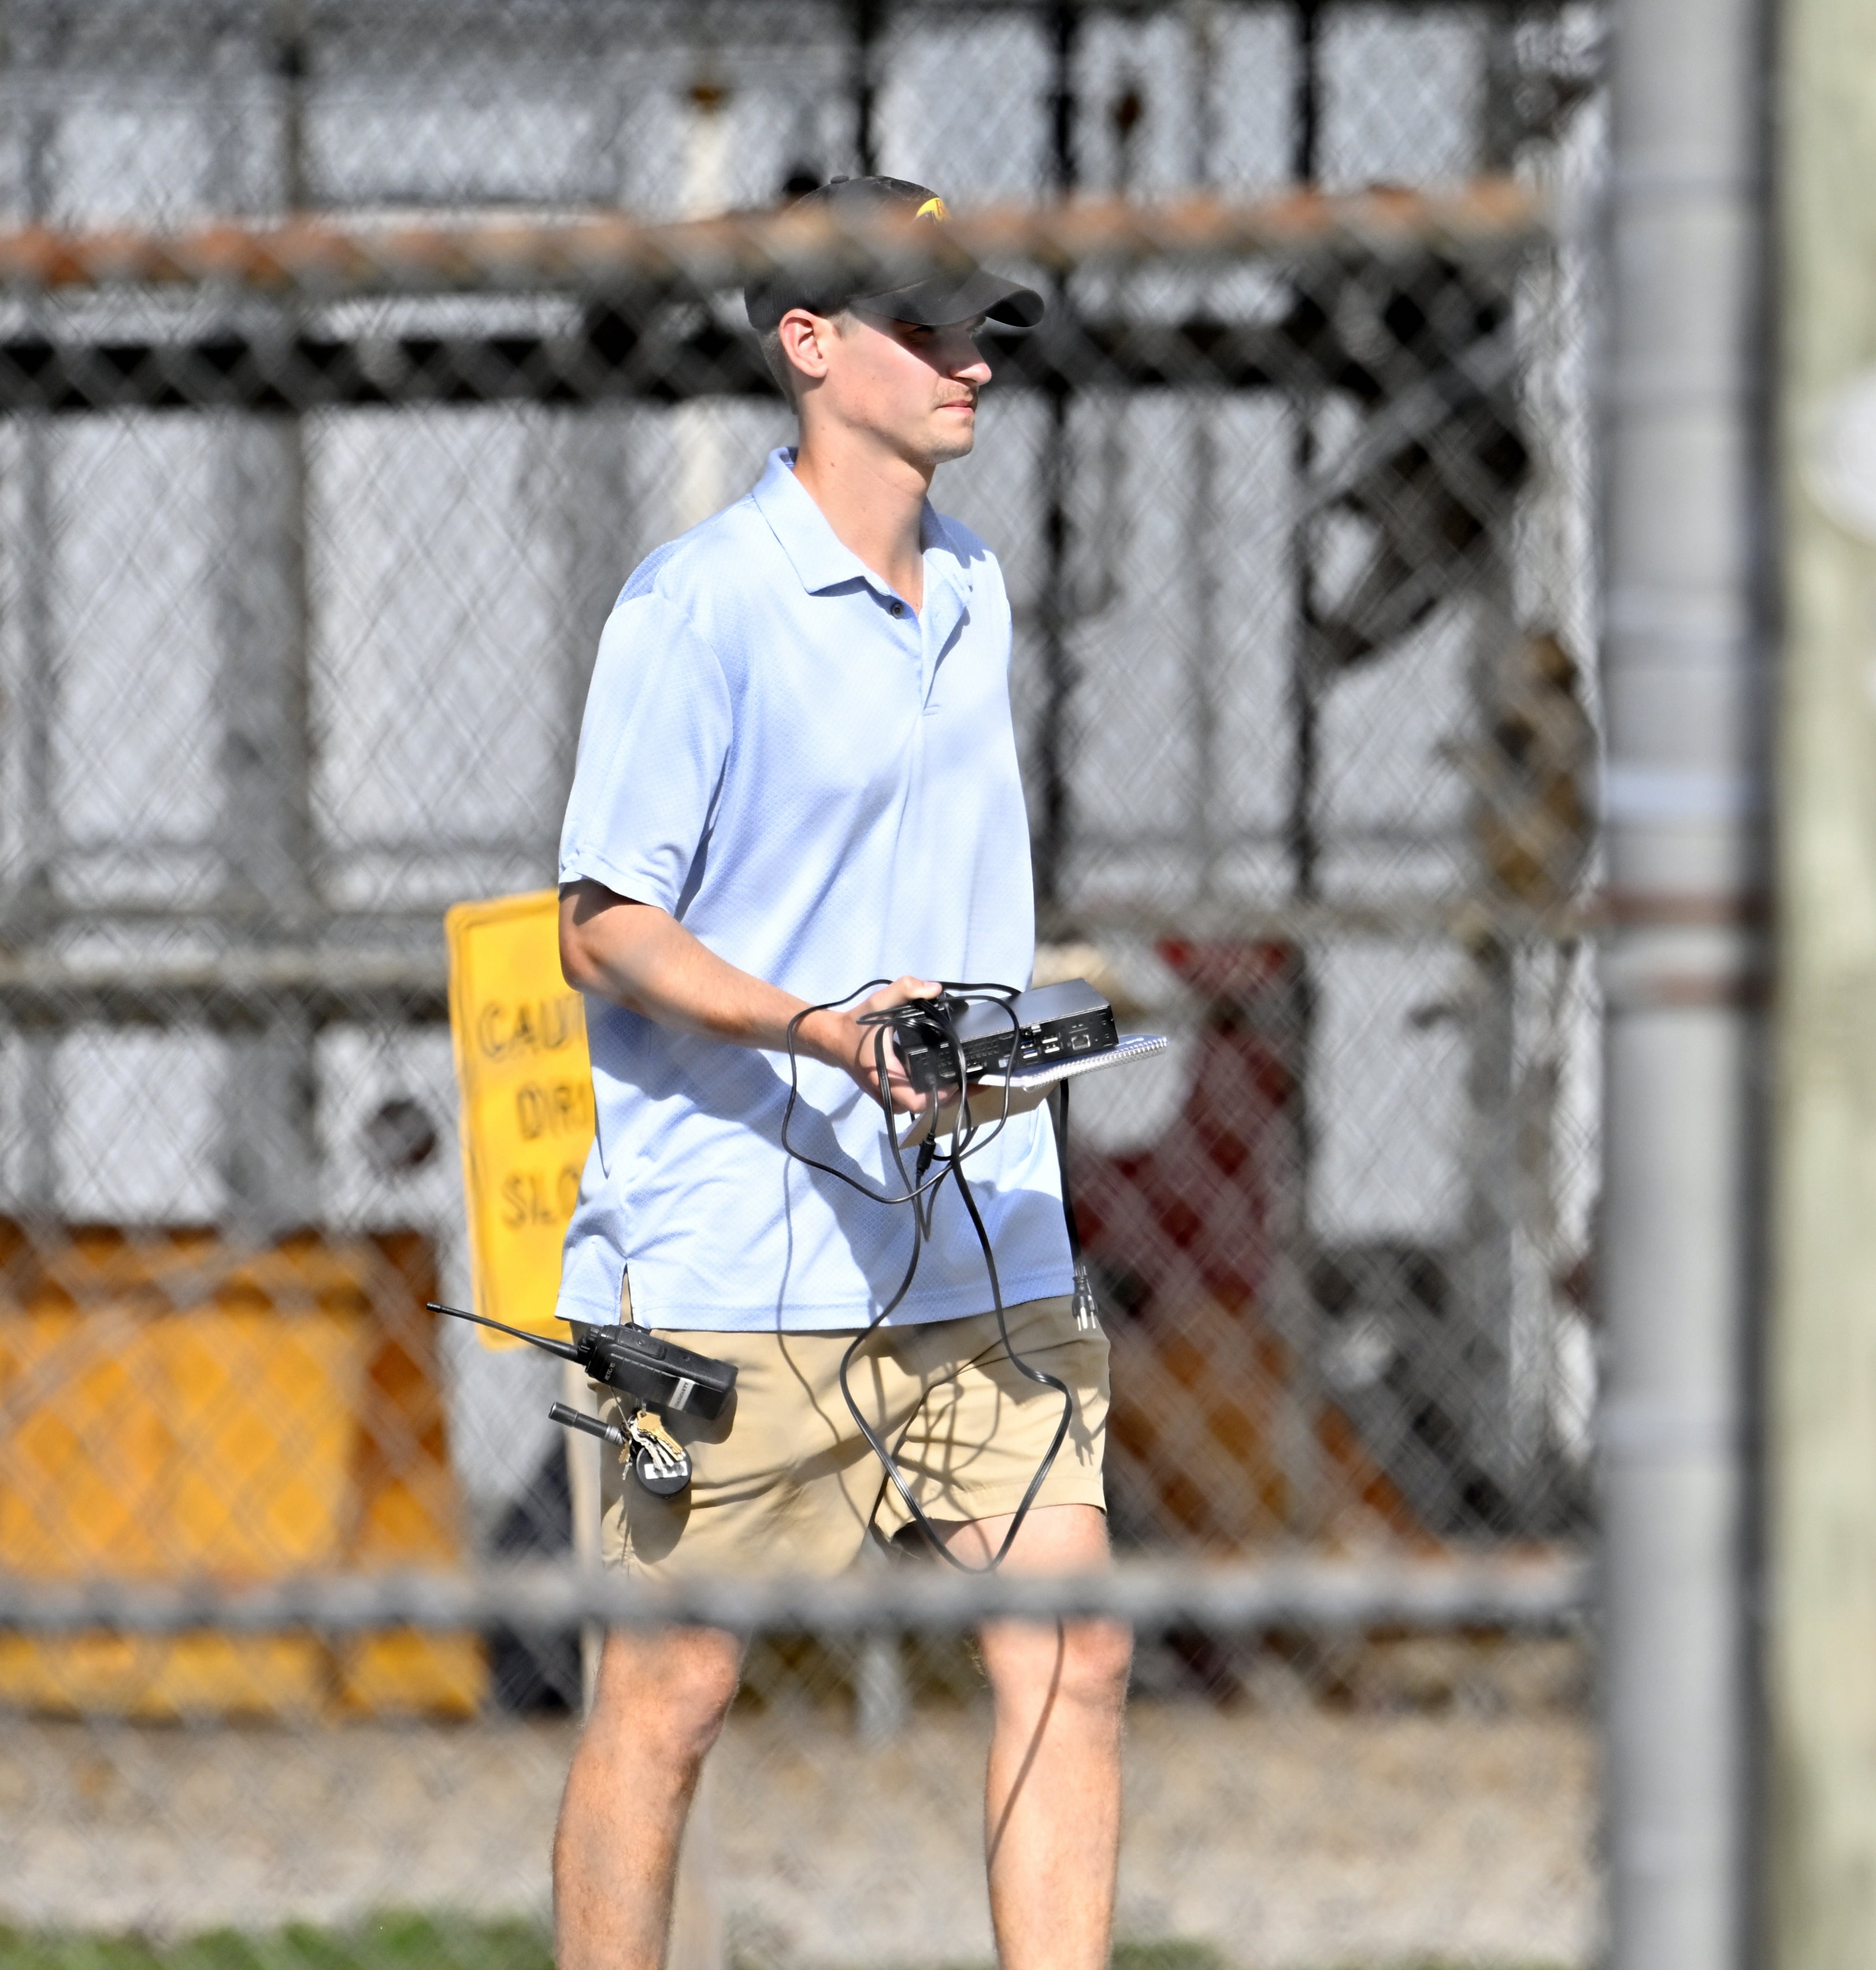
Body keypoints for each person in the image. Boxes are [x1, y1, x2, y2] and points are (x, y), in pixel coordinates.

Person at [547, 175, 1130, 1970]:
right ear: (810, 346)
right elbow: (602, 922)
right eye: (927, 324)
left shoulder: (974, 588)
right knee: (673, 1694)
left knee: (1074, 1647)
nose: (975, 358)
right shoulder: (701, 604)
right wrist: (820, 1028)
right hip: (737, 1246)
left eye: (984, 323)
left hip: (976, 1233)